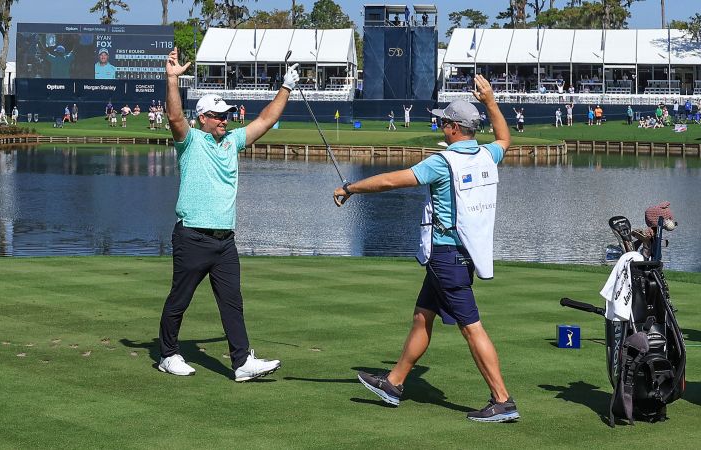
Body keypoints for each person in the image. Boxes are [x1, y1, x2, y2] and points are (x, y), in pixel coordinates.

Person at [333, 75, 519, 423]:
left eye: (442, 121)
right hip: (461, 255)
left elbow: (391, 180)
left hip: (446, 255)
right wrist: (490, 100)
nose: (439, 124)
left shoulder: (442, 161)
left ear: (452, 128)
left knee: (471, 327)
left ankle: (502, 399)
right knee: (423, 316)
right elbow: (505, 138)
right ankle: (394, 383)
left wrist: (352, 188)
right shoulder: (486, 155)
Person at [157, 47, 299, 381]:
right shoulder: (190, 140)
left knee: (232, 303)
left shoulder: (232, 141)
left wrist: (287, 87)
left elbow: (265, 120)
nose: (225, 119)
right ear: (203, 118)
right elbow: (175, 118)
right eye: (219, 115)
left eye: (227, 115)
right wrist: (172, 79)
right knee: (180, 299)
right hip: (192, 235)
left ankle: (241, 362)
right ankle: (167, 354)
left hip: (225, 241)